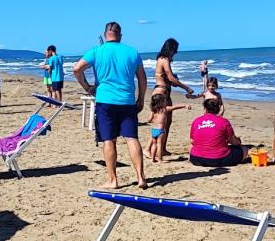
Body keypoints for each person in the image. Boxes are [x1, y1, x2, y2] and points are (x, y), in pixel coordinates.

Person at [73, 22, 147, 189]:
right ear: (120, 35)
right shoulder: (132, 52)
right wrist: (141, 99)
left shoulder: (96, 51)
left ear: (106, 34)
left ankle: (113, 180)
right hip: (127, 100)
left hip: (105, 100)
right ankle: (141, 177)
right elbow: (142, 78)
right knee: (131, 138)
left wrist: (87, 87)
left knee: (109, 140)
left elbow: (77, 69)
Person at [152, 38, 194, 157]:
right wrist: (186, 87)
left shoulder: (163, 60)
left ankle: (162, 148)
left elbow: (168, 78)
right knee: (161, 122)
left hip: (164, 91)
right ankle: (149, 148)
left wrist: (174, 82)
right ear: (171, 49)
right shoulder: (164, 59)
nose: (176, 52)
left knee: (167, 121)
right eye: (175, 49)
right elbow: (170, 77)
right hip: (161, 92)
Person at [189, 98, 249, 167]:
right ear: (218, 109)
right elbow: (233, 141)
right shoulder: (223, 121)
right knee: (244, 149)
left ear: (205, 109)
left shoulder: (196, 121)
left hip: (195, 158)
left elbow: (192, 141)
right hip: (217, 159)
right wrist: (239, 141)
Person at [146, 94, 191, 162]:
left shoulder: (153, 110)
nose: (165, 102)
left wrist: (151, 120)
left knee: (154, 144)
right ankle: (160, 159)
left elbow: (149, 119)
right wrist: (185, 105)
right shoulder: (164, 109)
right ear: (161, 102)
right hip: (161, 130)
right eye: (164, 101)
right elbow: (175, 107)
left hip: (154, 130)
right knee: (160, 144)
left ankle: (153, 159)